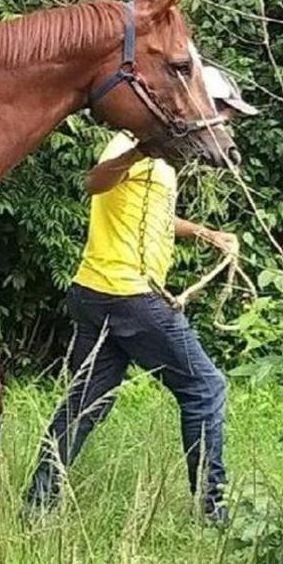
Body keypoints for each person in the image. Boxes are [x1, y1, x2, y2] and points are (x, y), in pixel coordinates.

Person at [24, 65, 258, 522]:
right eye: (225, 111)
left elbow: (150, 214)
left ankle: (38, 502)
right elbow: (96, 182)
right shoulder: (135, 146)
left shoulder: (163, 163)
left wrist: (206, 233)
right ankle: (214, 512)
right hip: (129, 295)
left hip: (96, 292)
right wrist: (138, 152)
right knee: (206, 388)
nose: (226, 122)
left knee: (86, 403)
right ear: (200, 106)